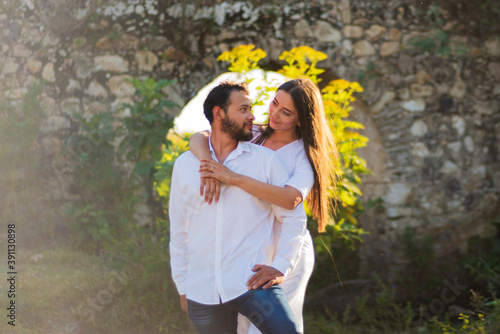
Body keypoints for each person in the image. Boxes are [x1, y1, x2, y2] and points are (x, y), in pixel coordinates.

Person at [190, 78, 338, 333]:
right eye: (274, 103)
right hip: (249, 246)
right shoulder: (254, 134)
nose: (275, 114)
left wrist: (233, 178)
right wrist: (208, 165)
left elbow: (290, 199)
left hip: (285, 252)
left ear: (302, 119)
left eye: (286, 112)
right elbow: (199, 136)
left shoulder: (302, 156)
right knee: (239, 325)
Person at [169, 81, 306, 334]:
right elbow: (179, 230)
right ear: (218, 113)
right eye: (243, 109)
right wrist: (183, 286)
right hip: (202, 289)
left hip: (251, 282)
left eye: (251, 109)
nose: (253, 116)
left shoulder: (266, 161)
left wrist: (282, 264)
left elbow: (294, 216)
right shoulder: (186, 165)